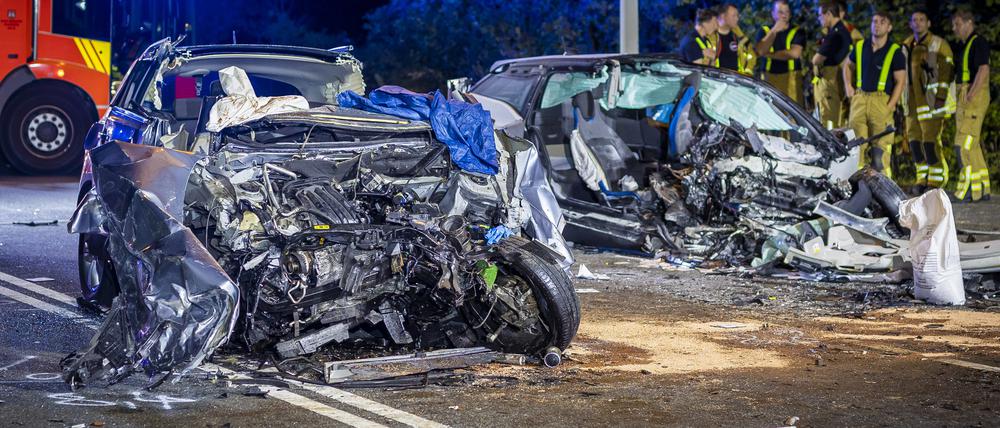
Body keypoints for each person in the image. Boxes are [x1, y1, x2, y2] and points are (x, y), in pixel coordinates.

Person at [843, 11, 907, 178]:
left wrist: (890, 106)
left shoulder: (895, 51)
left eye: (882, 22)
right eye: (874, 21)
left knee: (881, 150)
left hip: (881, 101)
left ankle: (885, 191)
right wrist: (848, 87)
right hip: (860, 99)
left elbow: (900, 81)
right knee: (856, 146)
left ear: (889, 27)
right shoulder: (860, 47)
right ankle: (855, 187)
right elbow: (847, 66)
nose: (877, 25)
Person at [904, 10, 955, 192]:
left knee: (930, 142)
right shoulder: (906, 45)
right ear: (910, 24)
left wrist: (941, 96)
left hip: (933, 102)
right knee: (915, 143)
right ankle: (921, 178)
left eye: (921, 19)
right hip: (911, 103)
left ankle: (936, 179)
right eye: (914, 20)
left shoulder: (938, 44)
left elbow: (947, 71)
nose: (918, 23)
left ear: (929, 23)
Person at [950, 9, 992, 202]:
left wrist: (971, 94)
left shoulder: (978, 42)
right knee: (972, 145)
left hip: (972, 96)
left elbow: (983, 69)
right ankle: (982, 188)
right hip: (966, 94)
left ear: (969, 23)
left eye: (957, 24)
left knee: (963, 146)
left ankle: (965, 190)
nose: (954, 28)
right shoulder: (966, 44)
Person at [755, 0, 806, 105]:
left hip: (791, 79)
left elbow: (794, 53)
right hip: (769, 78)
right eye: (780, 12)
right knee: (770, 111)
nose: (784, 15)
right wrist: (774, 31)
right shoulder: (765, 30)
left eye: (786, 12)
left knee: (792, 114)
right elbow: (760, 50)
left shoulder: (797, 31)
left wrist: (768, 54)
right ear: (772, 14)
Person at [812, 1, 852, 129]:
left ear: (828, 14)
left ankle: (829, 145)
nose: (819, 19)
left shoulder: (835, 34)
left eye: (820, 15)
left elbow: (816, 59)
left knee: (828, 117)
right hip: (834, 82)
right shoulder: (841, 31)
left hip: (830, 83)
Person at [711, 4, 754, 74]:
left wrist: (747, 72)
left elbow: (751, 55)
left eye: (737, 16)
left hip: (736, 81)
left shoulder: (739, 37)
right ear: (723, 16)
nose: (737, 18)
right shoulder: (710, 36)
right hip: (716, 81)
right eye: (734, 16)